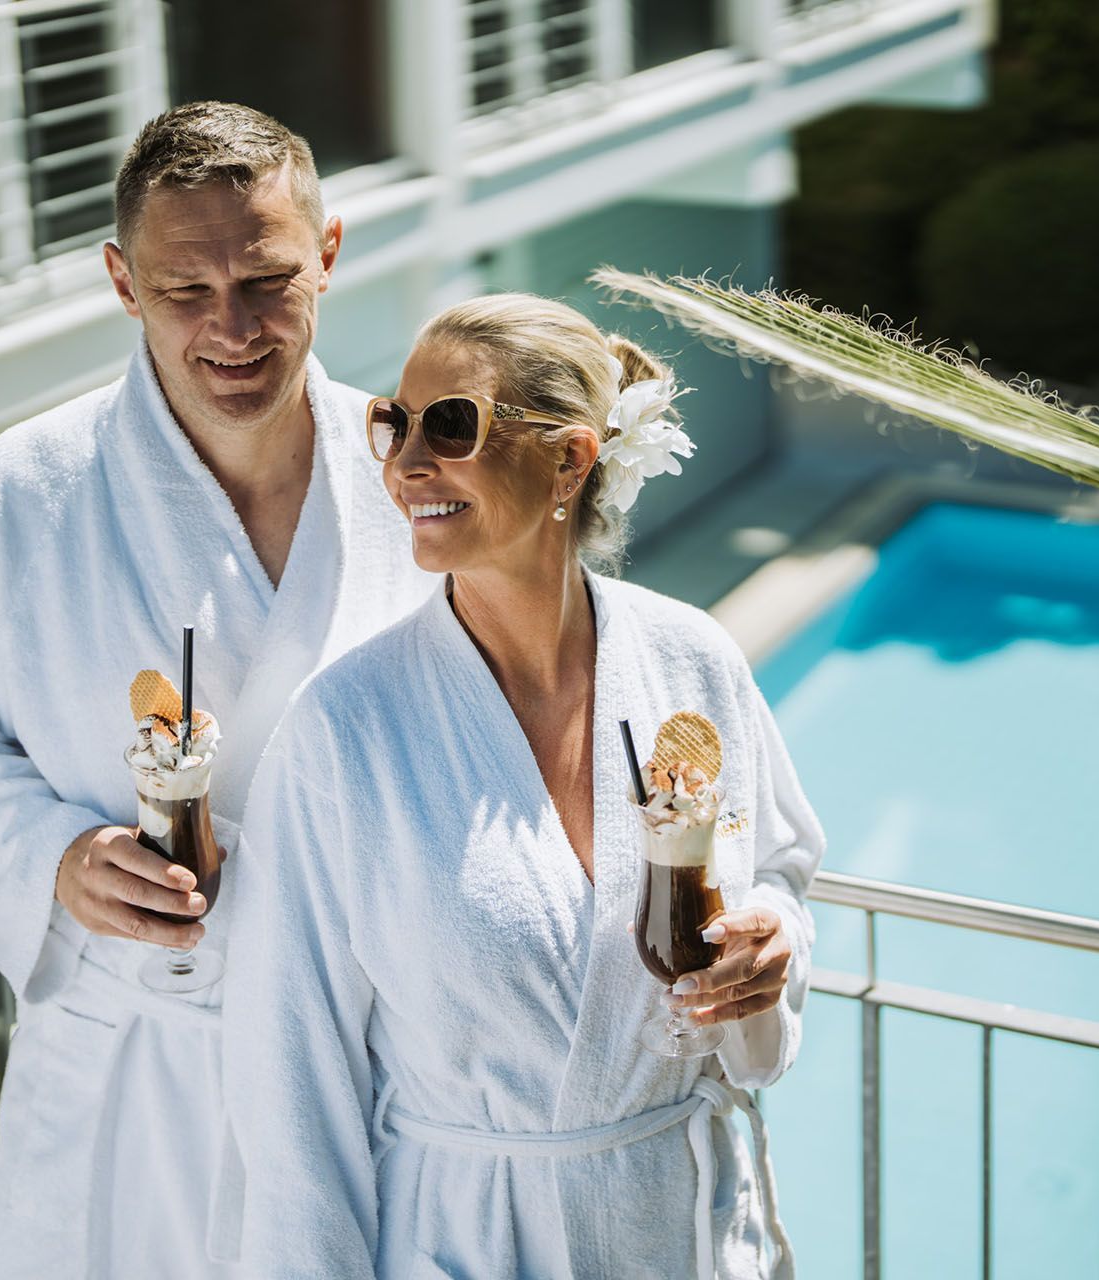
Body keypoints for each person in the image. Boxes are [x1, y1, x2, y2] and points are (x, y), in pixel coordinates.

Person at [0, 103, 434, 1276]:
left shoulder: (414, 479)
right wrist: (55, 853)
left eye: (266, 280)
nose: (233, 327)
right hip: (131, 1058)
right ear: (123, 282)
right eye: (184, 291)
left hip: (364, 1055)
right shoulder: (31, 488)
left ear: (327, 254)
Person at [220, 295, 825, 1278]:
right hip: (471, 1239)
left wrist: (772, 942)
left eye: (450, 425)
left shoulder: (692, 661)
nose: (407, 464)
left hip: (682, 1228)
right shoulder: (345, 729)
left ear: (570, 460)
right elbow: (290, 1078)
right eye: (394, 424)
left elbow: (780, 868)